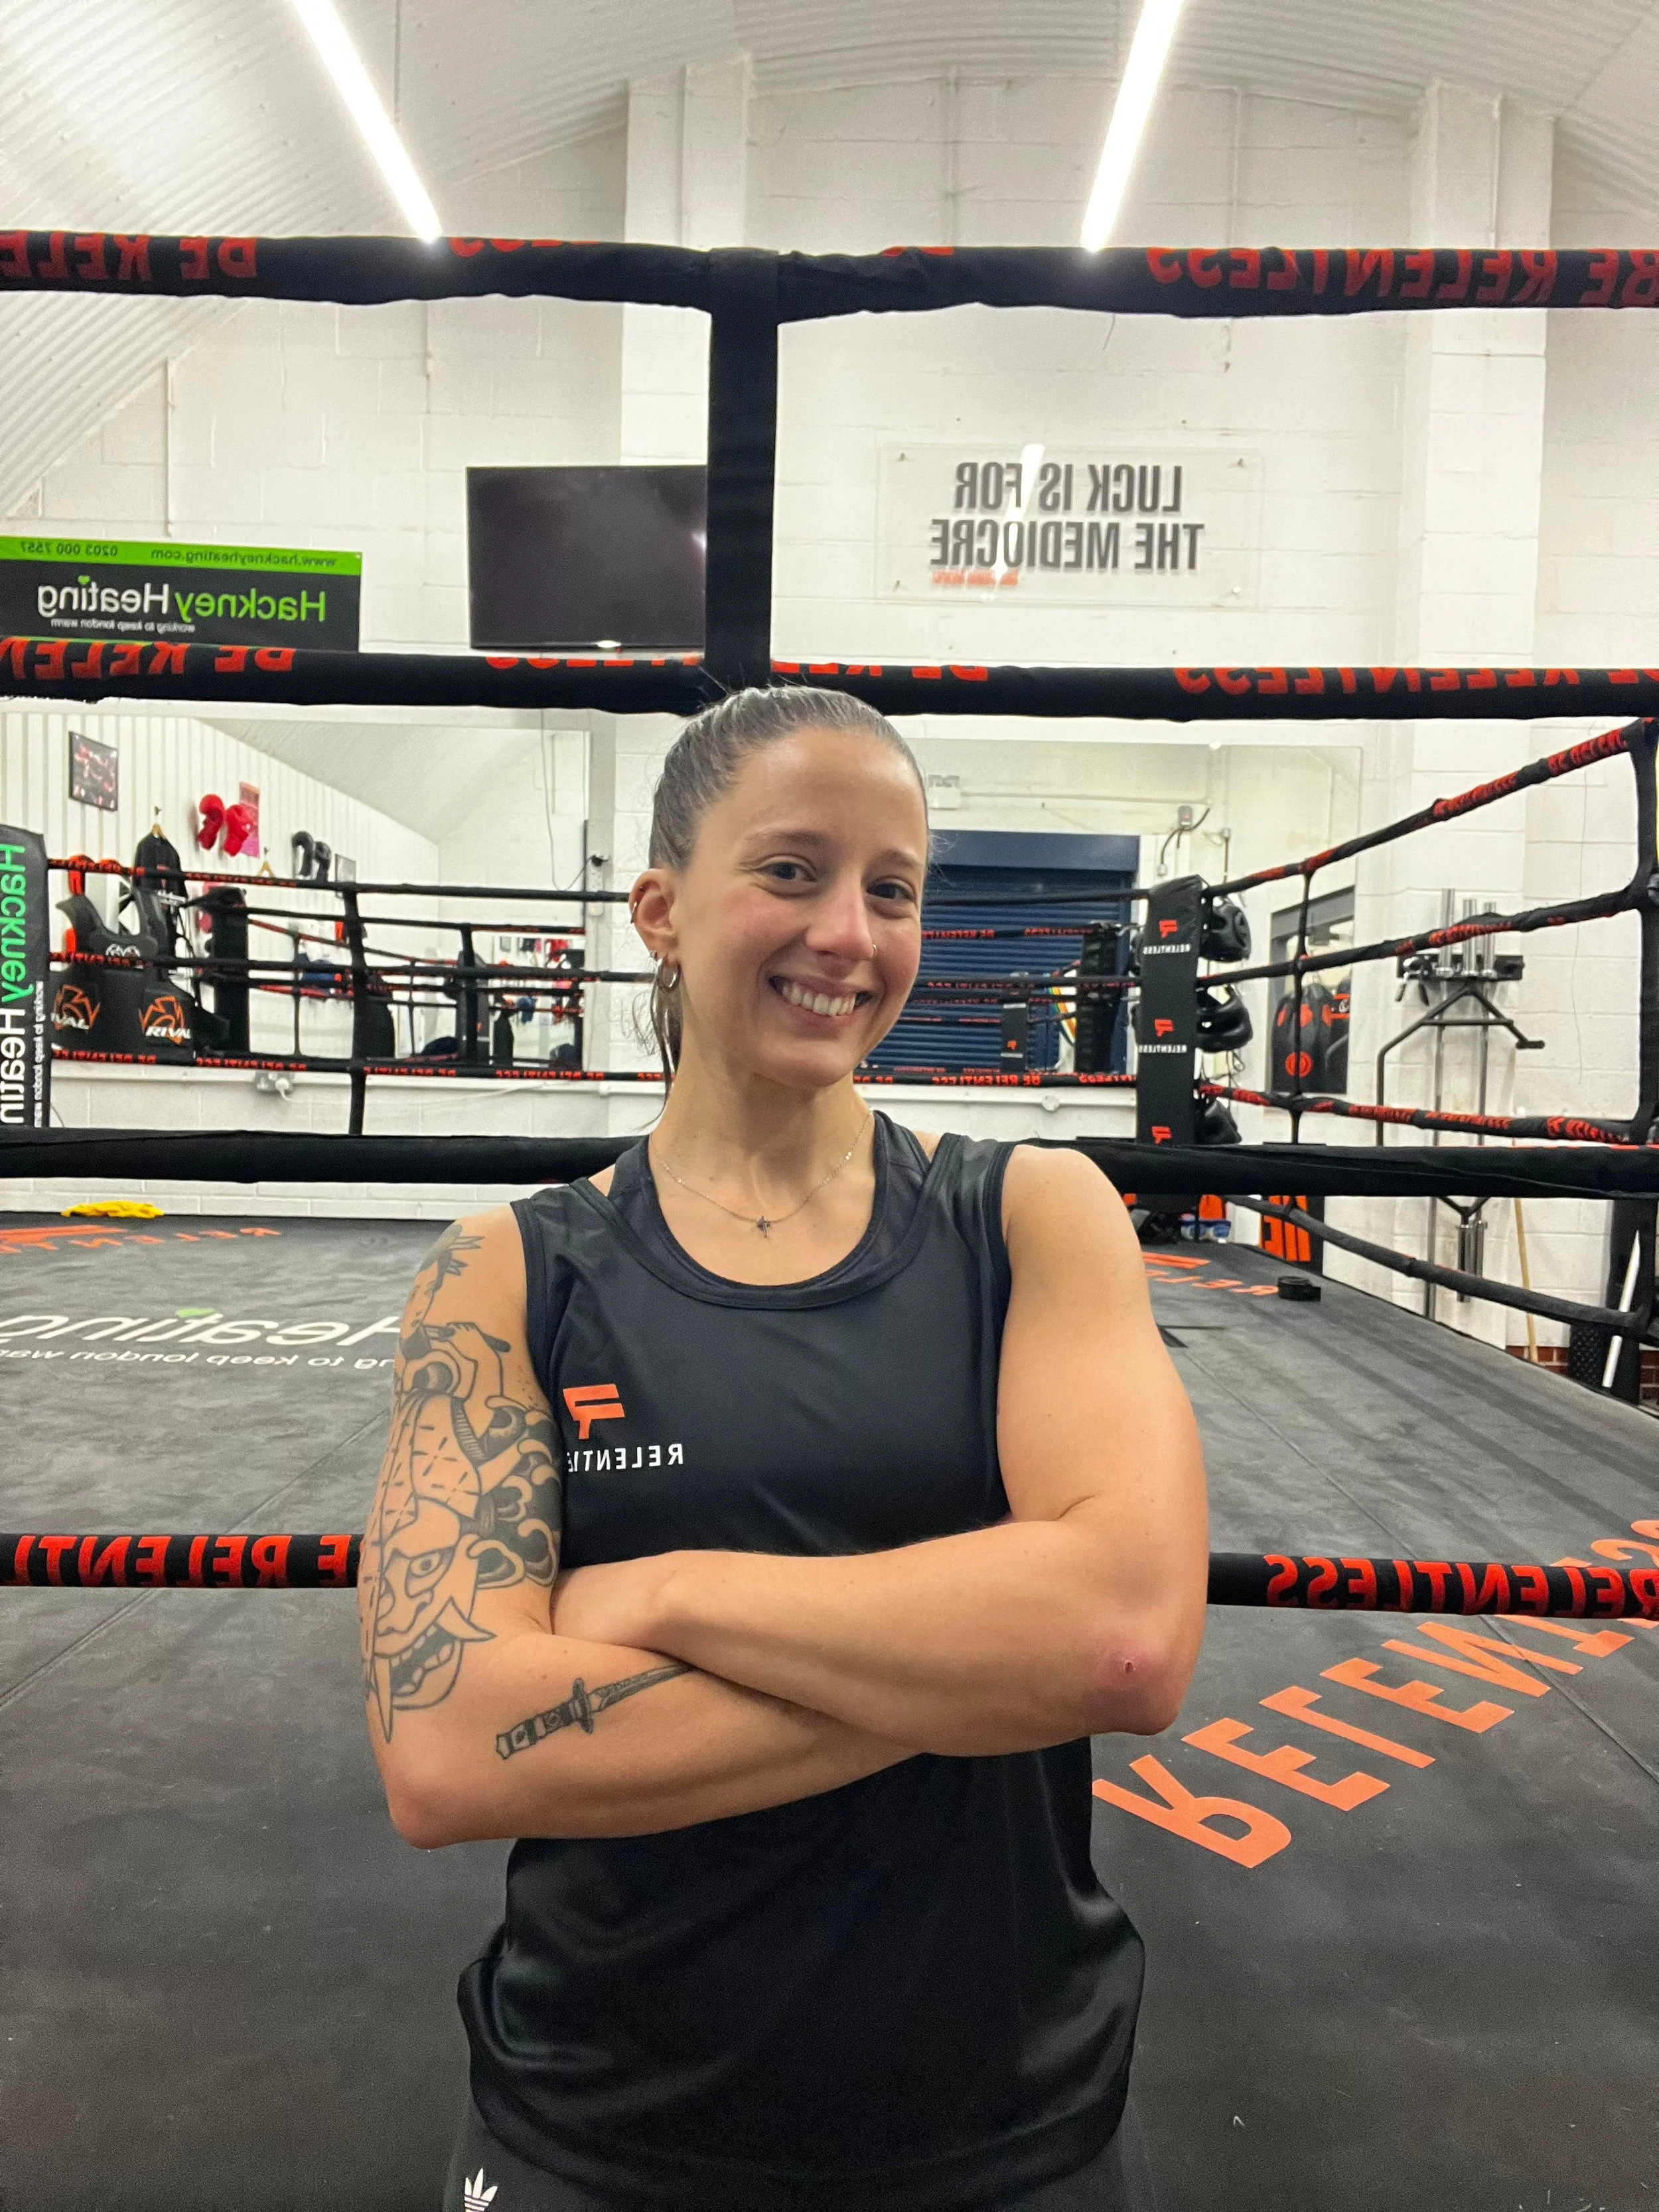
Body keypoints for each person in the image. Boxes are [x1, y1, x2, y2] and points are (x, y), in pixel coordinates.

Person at [357, 686, 1208, 2212]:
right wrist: (976, 1659)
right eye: (793, 869)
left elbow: (1124, 1646)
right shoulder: (507, 1270)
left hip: (1000, 2113)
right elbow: (447, 1742)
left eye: (892, 890)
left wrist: (669, 1594)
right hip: (601, 2118)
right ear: (660, 910)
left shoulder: (1030, 1216)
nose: (848, 934)